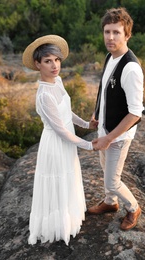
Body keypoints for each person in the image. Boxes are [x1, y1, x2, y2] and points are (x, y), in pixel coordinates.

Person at [22, 35, 98, 246]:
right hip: (55, 143)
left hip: (66, 141)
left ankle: (70, 218)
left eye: (57, 60)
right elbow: (62, 131)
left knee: (68, 177)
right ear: (38, 64)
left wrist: (86, 124)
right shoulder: (44, 94)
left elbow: (67, 111)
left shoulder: (58, 81)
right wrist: (89, 145)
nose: (54, 65)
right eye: (48, 61)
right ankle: (56, 226)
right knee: (56, 181)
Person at [88, 7, 144, 231]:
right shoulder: (110, 57)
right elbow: (104, 90)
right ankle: (111, 203)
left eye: (116, 32)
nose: (110, 37)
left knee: (112, 179)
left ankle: (133, 208)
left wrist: (109, 138)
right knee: (105, 170)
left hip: (118, 136)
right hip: (105, 128)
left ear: (127, 35)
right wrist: (96, 114)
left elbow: (135, 113)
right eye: (107, 32)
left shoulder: (130, 68)